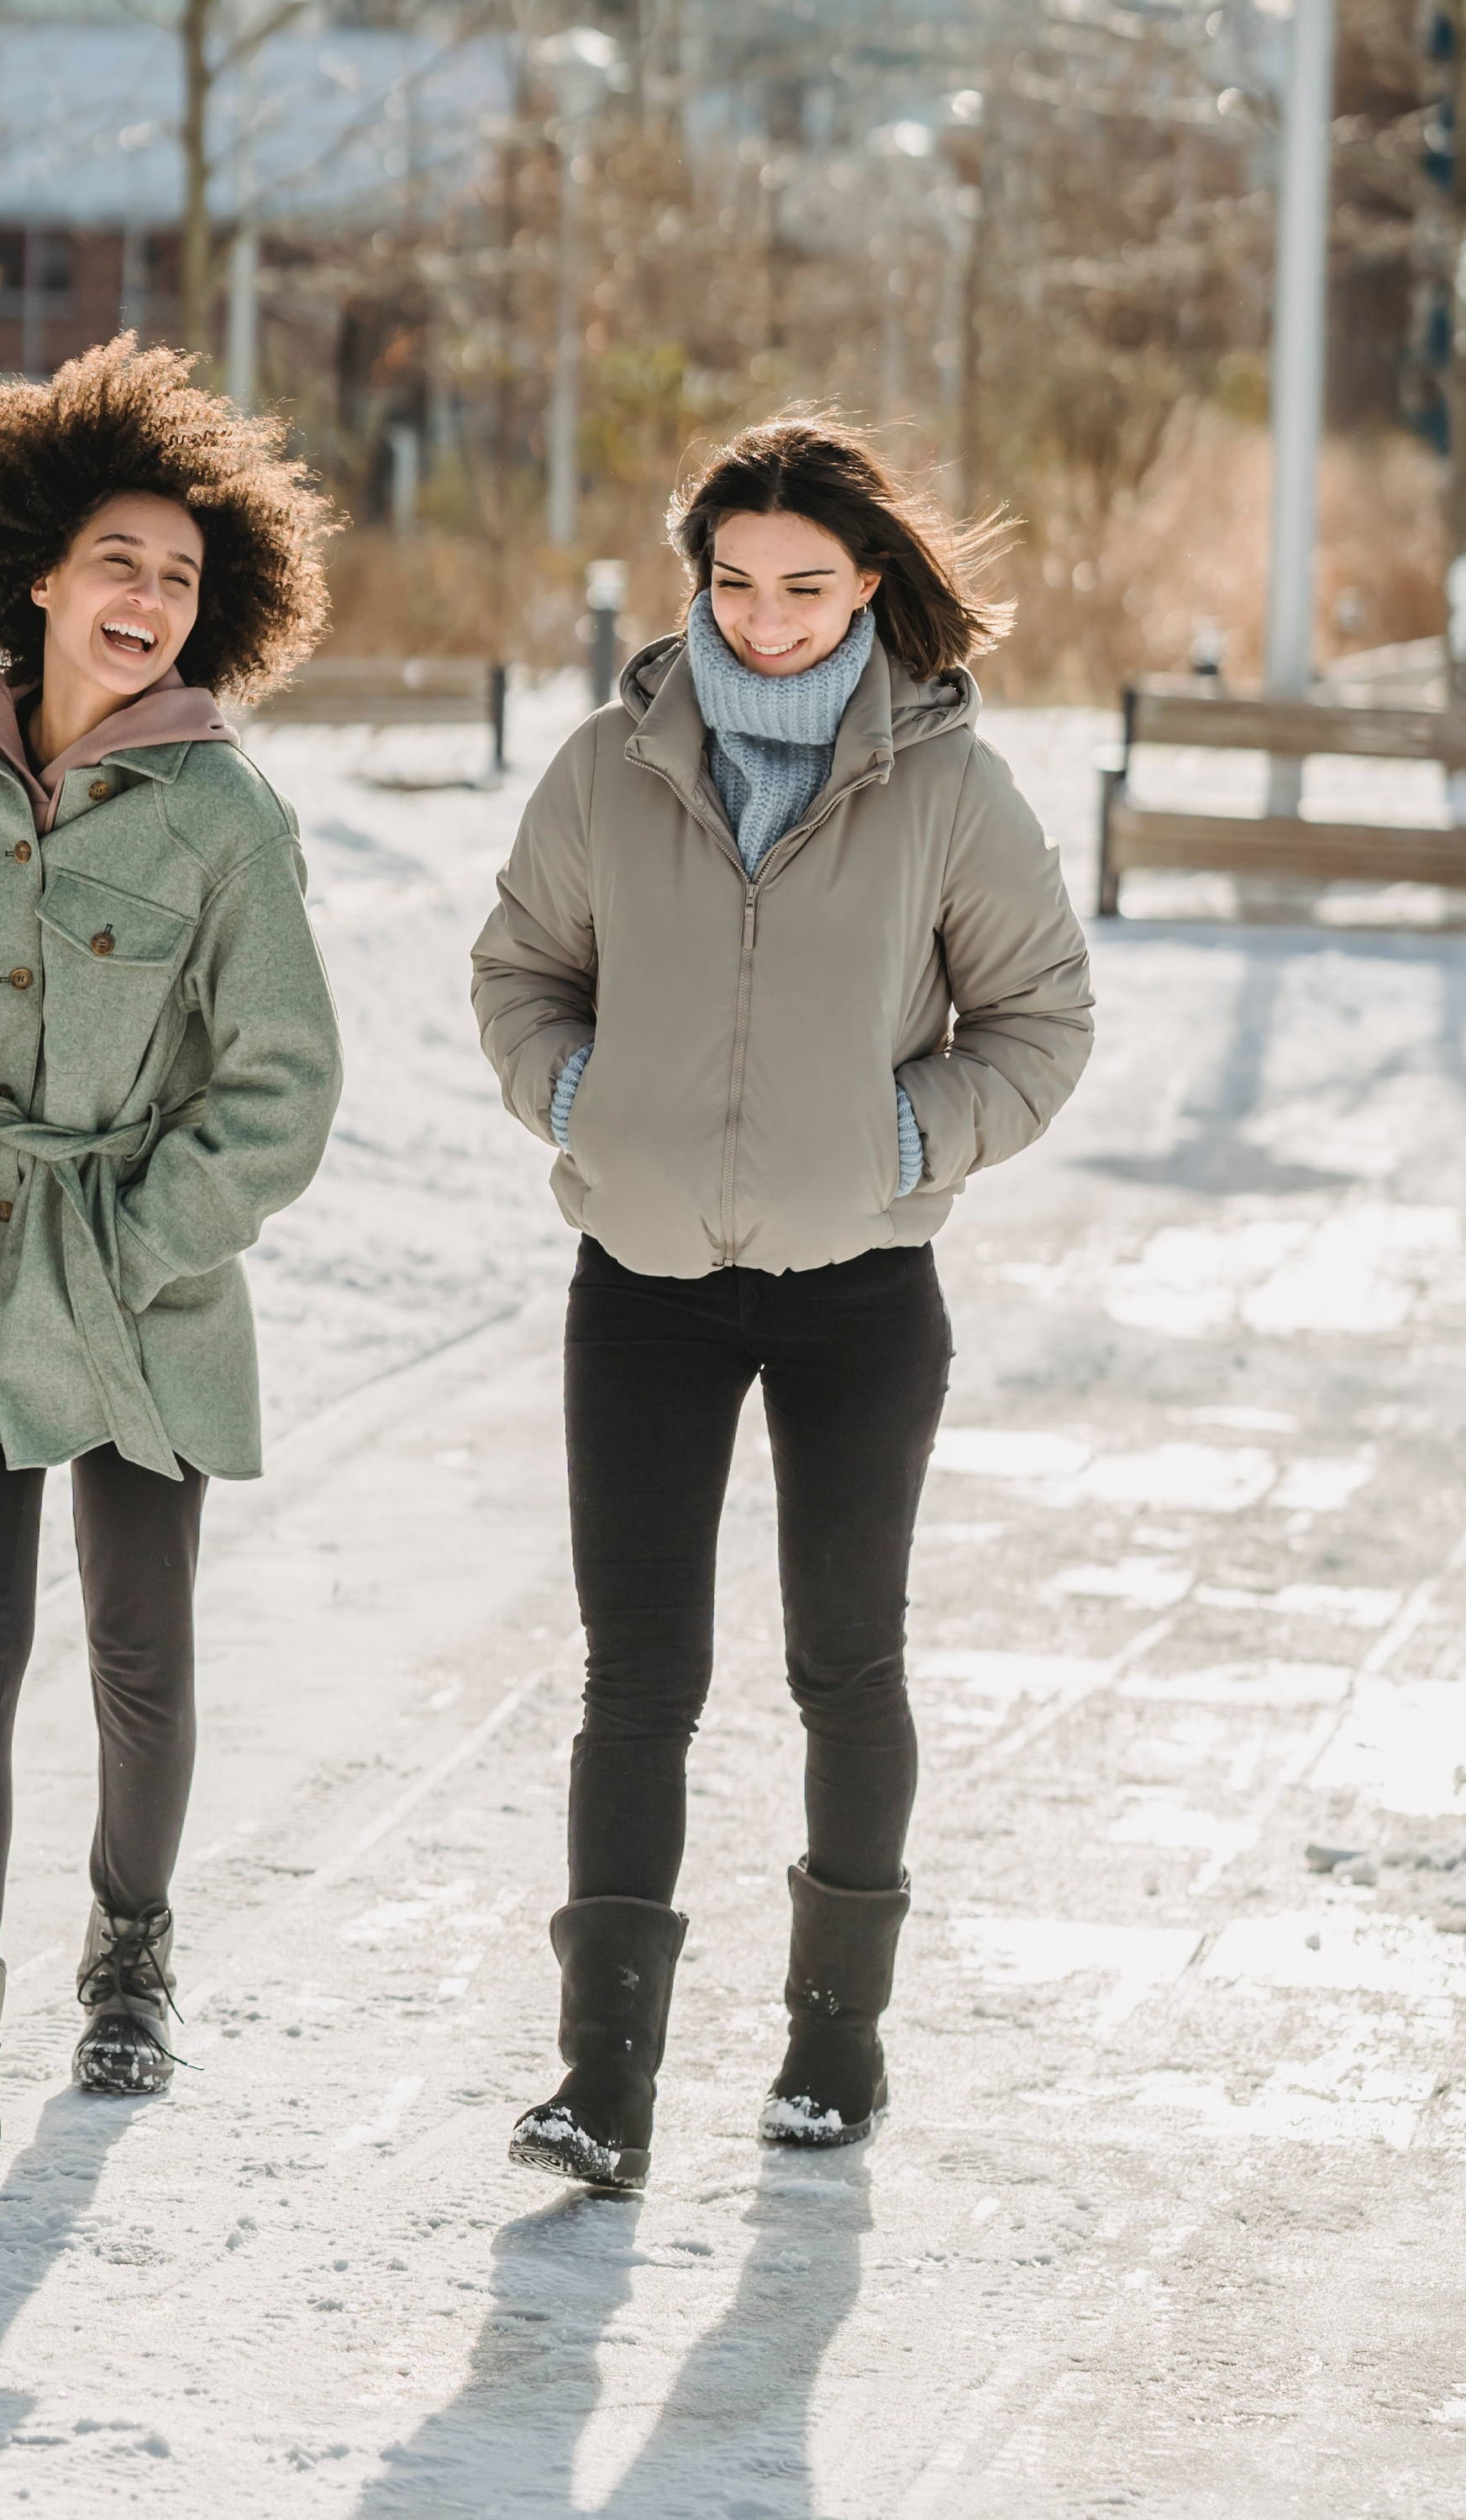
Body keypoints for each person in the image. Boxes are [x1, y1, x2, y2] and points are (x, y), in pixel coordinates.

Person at [470, 409, 1094, 2192]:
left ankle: (836, 2050)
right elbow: (520, 971)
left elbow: (1040, 1021)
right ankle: (603, 2085)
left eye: (803, 587)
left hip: (861, 1289)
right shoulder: (608, 764)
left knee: (846, 1666)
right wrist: (587, 1108)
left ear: (869, 586)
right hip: (644, 1286)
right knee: (637, 1677)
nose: (762, 618)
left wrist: (909, 1136)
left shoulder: (948, 787)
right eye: (732, 585)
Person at [0, 338, 343, 2152]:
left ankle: (130, 1965)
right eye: (121, 560)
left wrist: (133, 1239)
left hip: (135, 1288)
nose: (149, 597)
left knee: (136, 1645)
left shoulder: (225, 817)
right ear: (36, 568)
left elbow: (284, 1083)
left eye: (183, 579)